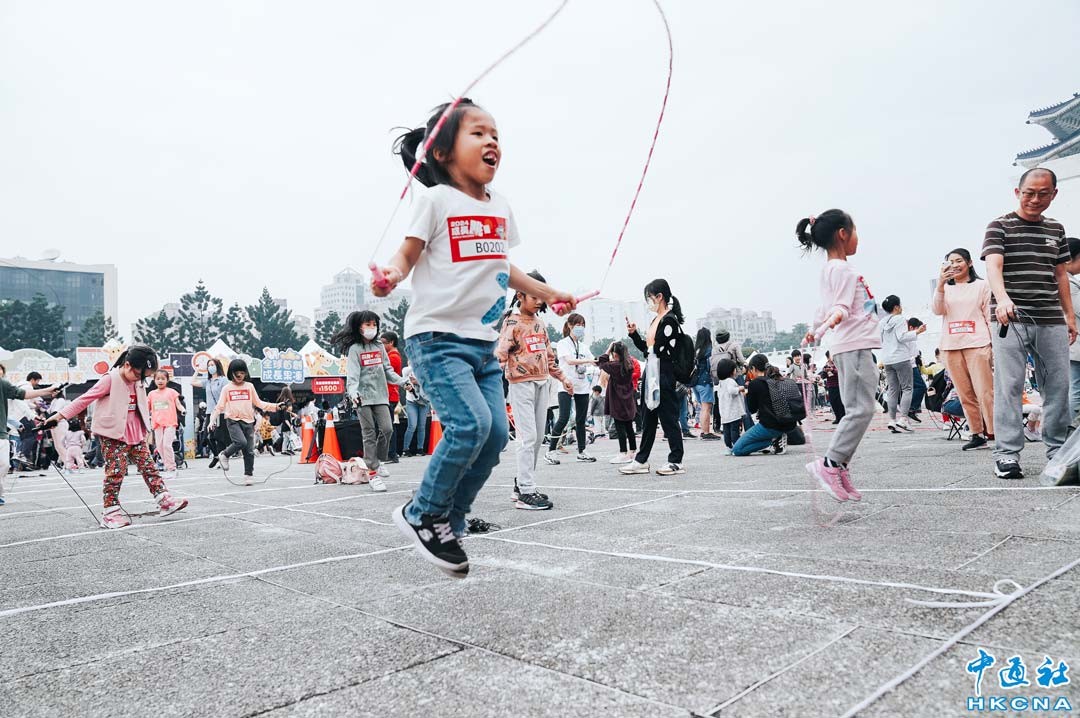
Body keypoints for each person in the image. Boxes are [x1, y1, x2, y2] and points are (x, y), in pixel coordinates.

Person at [372, 98, 576, 577]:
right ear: (442, 152)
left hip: (482, 345)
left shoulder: (499, 206)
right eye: (478, 133)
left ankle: (452, 520)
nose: (491, 142)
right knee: (470, 426)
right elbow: (406, 254)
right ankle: (423, 512)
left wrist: (549, 292)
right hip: (437, 339)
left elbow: (502, 265)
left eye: (495, 135)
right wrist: (391, 276)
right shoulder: (434, 201)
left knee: (496, 435)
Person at [983, 168, 1075, 480]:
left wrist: (1069, 316)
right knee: (1009, 385)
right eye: (1029, 193)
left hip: (1050, 317)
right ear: (1017, 193)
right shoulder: (999, 226)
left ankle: (1059, 452)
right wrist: (1002, 299)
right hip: (1010, 317)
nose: (1035, 199)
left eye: (1043, 194)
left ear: (1053, 194)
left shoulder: (1056, 229)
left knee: (1058, 386)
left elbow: (1060, 274)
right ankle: (1007, 455)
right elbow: (993, 266)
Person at [44, 345, 188, 528]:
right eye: (139, 375)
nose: (141, 379)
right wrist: (58, 417)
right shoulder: (109, 379)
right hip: (113, 434)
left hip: (136, 432)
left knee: (149, 467)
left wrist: (146, 428)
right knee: (115, 472)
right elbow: (84, 399)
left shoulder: (138, 379)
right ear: (127, 365)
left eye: (145, 377)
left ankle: (164, 500)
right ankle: (110, 513)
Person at [800, 209, 881, 502]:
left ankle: (839, 465)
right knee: (861, 409)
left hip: (851, 345)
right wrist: (824, 327)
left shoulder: (830, 270)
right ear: (843, 234)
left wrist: (815, 328)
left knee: (859, 408)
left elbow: (826, 307)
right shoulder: (844, 270)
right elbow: (840, 308)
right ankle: (831, 464)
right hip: (854, 344)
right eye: (855, 230)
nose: (857, 236)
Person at [495, 271, 574, 510]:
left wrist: (562, 378)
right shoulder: (512, 322)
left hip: (542, 383)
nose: (539, 301)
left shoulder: (539, 323)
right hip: (521, 385)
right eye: (534, 296)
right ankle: (526, 491)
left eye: (542, 296)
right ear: (520, 295)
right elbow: (500, 355)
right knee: (527, 437)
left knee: (538, 437)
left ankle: (522, 483)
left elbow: (548, 356)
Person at [620, 278, 686, 476]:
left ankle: (676, 460)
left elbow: (659, 350)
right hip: (652, 371)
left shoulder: (669, 320)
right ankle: (641, 460)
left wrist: (649, 348)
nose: (648, 302)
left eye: (649, 298)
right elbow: (647, 350)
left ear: (660, 297)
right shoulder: (656, 320)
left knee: (668, 417)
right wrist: (634, 335)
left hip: (663, 372)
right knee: (648, 417)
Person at [332, 310, 405, 489]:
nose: (372, 327)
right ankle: (372, 475)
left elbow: (388, 370)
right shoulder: (355, 349)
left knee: (387, 429)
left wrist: (404, 382)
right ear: (359, 327)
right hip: (362, 398)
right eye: (368, 324)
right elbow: (352, 377)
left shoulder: (379, 346)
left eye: (374, 324)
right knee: (369, 433)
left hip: (380, 395)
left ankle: (378, 460)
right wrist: (353, 394)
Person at [209, 358, 283, 485]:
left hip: (248, 421)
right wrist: (212, 421)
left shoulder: (249, 386)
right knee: (241, 442)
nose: (239, 375)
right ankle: (225, 455)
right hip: (233, 421)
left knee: (249, 450)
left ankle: (248, 475)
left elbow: (259, 403)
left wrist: (276, 407)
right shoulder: (227, 388)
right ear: (231, 373)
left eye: (242, 373)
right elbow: (219, 407)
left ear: (246, 373)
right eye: (236, 373)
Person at [0, 367, 64, 506]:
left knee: (4, 465)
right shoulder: (24, 385)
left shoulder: (3, 384)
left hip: (4, 429)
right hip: (17, 420)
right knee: (28, 437)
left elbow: (22, 397)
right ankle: (20, 454)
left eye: (1, 372)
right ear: (34, 379)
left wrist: (47, 391)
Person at [547, 313, 597, 464]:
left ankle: (582, 451)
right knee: (563, 418)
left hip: (582, 386)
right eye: (578, 325)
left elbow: (593, 361)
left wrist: (600, 360)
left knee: (581, 420)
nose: (580, 328)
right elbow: (569, 361)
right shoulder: (563, 344)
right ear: (569, 325)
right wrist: (588, 360)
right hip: (566, 385)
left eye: (582, 325)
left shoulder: (584, 346)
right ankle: (551, 451)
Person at [732, 355, 798, 456]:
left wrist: (748, 395)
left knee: (737, 450)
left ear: (753, 368)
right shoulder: (777, 379)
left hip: (769, 426)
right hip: (788, 424)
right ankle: (777, 437)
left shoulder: (755, 383)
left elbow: (752, 409)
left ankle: (773, 440)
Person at [878, 295, 923, 434]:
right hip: (901, 358)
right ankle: (903, 418)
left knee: (893, 390)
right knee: (907, 388)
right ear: (896, 307)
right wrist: (917, 332)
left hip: (887, 359)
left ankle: (892, 420)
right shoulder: (900, 319)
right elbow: (902, 337)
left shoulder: (882, 322)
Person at [598, 341, 638, 464]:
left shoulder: (615, 366)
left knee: (620, 427)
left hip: (617, 400)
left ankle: (623, 453)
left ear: (615, 354)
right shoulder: (629, 365)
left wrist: (609, 348)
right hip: (628, 399)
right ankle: (633, 452)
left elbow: (601, 362)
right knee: (629, 427)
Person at [147, 369, 184, 478]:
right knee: (159, 447)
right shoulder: (151, 394)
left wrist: (182, 410)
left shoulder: (171, 392)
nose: (160, 381)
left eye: (163, 379)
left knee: (167, 445)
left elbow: (178, 404)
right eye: (158, 379)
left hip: (170, 423)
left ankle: (172, 468)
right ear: (154, 380)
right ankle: (167, 466)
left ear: (167, 380)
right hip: (157, 424)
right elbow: (146, 407)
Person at [380, 330, 405, 463]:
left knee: (388, 427)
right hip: (389, 394)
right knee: (388, 426)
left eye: (383, 343)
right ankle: (390, 453)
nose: (382, 345)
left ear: (391, 342)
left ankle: (392, 453)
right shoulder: (392, 356)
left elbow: (382, 372)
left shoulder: (393, 357)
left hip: (389, 395)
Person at [199, 359, 229, 468]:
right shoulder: (207, 381)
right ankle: (216, 455)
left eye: (212, 365)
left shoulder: (224, 380)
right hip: (209, 412)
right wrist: (197, 370)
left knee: (219, 437)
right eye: (209, 365)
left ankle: (222, 459)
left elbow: (227, 394)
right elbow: (192, 382)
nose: (210, 367)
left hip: (221, 412)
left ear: (218, 366)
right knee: (207, 437)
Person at [714, 358, 746, 454]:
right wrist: (740, 388)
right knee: (734, 430)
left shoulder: (721, 382)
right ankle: (736, 447)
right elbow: (732, 391)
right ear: (731, 371)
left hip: (724, 412)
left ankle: (728, 447)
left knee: (726, 431)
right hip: (733, 411)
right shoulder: (730, 381)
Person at [692, 327, 719, 440]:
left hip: (695, 382)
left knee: (703, 407)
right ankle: (706, 432)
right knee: (706, 407)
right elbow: (710, 366)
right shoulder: (709, 350)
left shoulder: (695, 350)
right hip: (705, 382)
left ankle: (704, 431)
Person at [1066, 238, 1080, 419]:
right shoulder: (1068, 284)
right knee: (1076, 390)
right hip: (1075, 346)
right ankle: (1071, 429)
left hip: (1072, 345)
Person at [401, 366, 430, 456]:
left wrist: (418, 382)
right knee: (412, 425)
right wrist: (407, 386)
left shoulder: (426, 368)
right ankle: (405, 449)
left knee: (422, 426)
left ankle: (420, 449)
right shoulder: (407, 370)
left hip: (424, 401)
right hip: (411, 401)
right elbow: (403, 381)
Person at [819, 351, 844, 423]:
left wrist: (832, 370)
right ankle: (837, 417)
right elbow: (823, 376)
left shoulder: (838, 363)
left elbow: (841, 372)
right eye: (829, 356)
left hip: (839, 386)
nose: (830, 358)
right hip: (830, 386)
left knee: (840, 402)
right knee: (833, 402)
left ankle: (842, 418)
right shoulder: (826, 365)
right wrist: (824, 371)